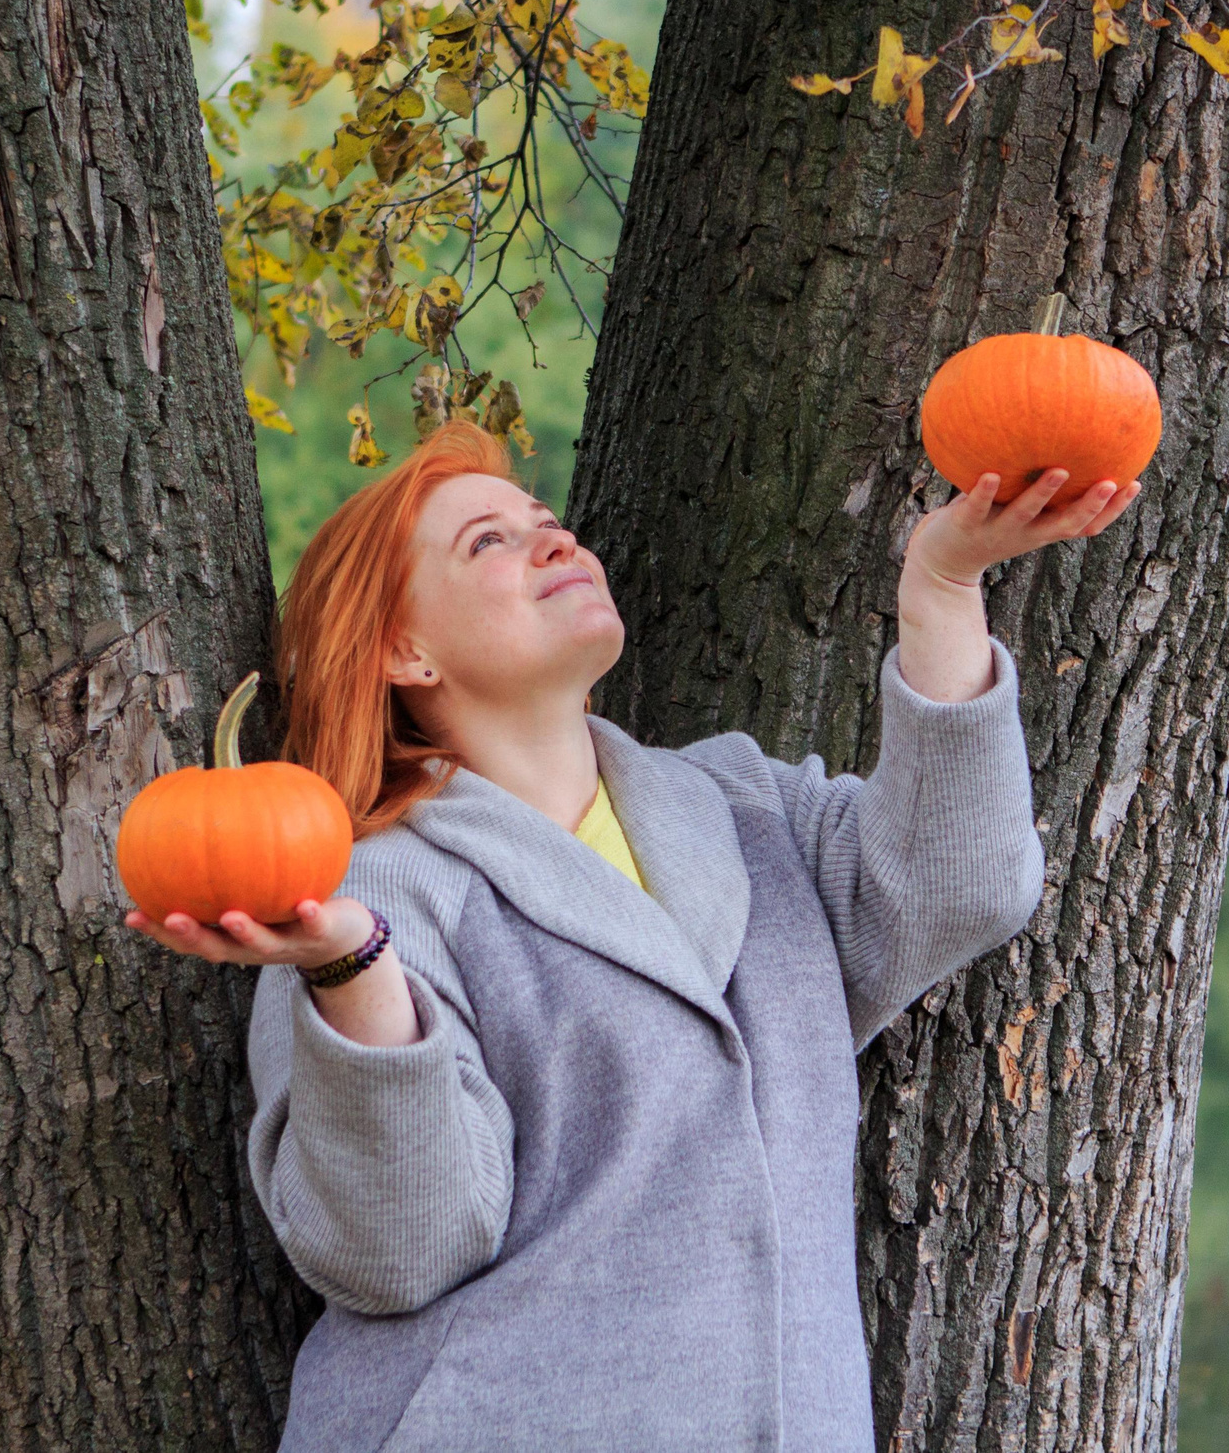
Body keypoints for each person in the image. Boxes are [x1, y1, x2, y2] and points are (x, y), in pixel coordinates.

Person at [126, 419, 1138, 1450]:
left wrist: (944, 586)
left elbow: (960, 886)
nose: (555, 540)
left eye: (547, 521)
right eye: (488, 541)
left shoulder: (744, 804)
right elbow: (396, 1253)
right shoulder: (362, 892)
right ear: (402, 649)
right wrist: (355, 970)